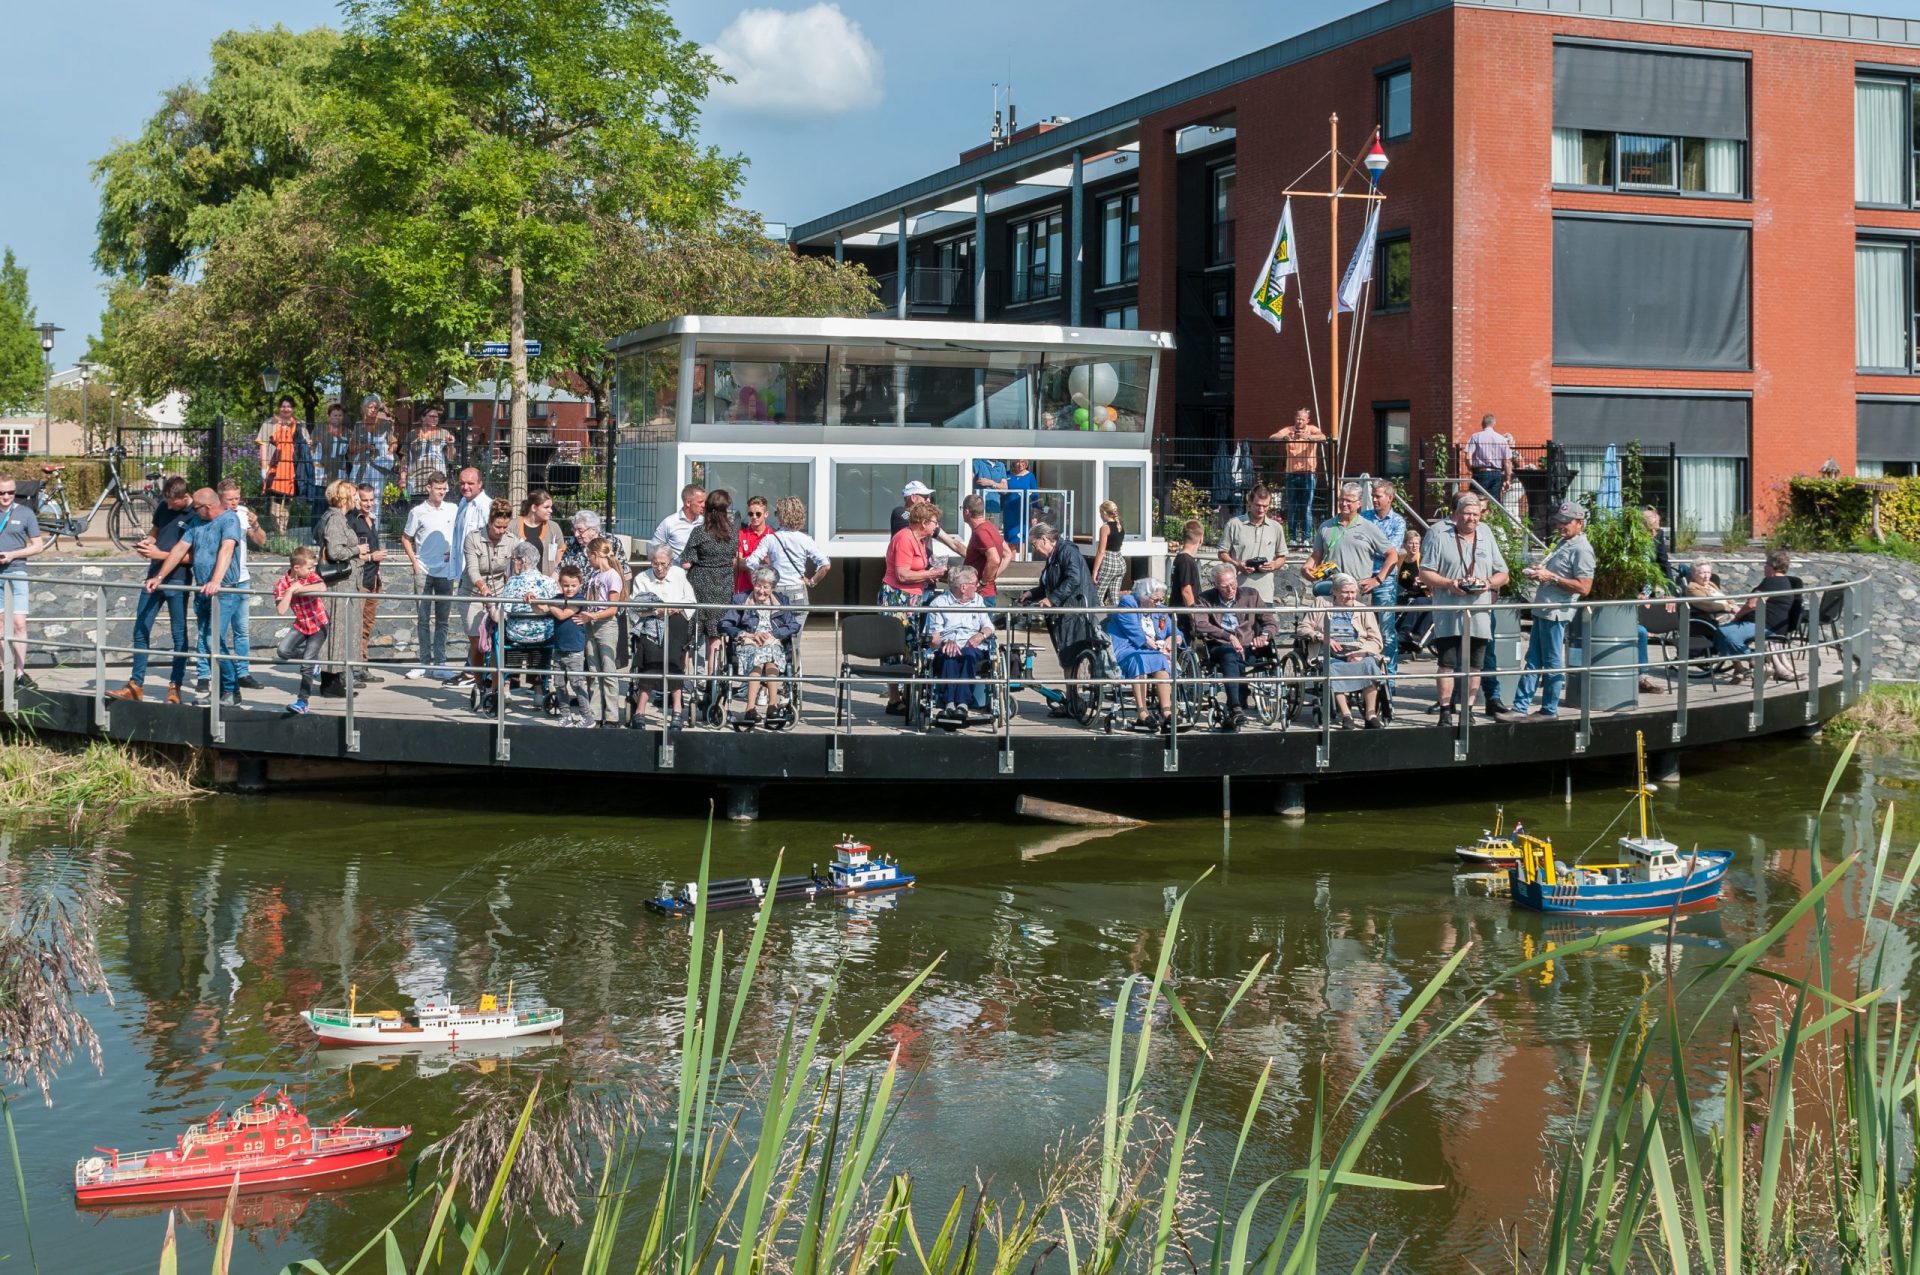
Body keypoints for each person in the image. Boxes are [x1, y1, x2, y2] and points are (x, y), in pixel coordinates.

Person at [145, 487, 244, 706]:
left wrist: (216, 580)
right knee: (208, 642)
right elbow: (180, 549)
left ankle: (229, 690)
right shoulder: (197, 523)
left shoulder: (229, 520)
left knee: (212, 639)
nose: (193, 511)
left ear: (208, 507)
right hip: (203, 591)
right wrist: (159, 576)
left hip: (224, 590)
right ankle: (226, 690)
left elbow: (226, 550)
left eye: (196, 508)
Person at [1419, 494, 1510, 728]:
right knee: (1447, 663)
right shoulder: (1440, 534)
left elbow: (1504, 574)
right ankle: (1446, 711)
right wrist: (1450, 583)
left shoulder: (1487, 534)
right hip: (1449, 609)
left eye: (1476, 514)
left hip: (1479, 610)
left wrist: (1487, 583)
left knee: (1475, 664)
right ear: (1457, 514)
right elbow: (1425, 573)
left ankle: (1468, 710)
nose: (1471, 519)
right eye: (1467, 514)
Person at [1508, 501, 1595, 720]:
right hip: (1543, 610)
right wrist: (1541, 572)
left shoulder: (1582, 548)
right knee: (1533, 660)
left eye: (1566, 522)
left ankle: (1549, 709)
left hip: (1556, 613)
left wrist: (1552, 577)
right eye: (1559, 522)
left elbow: (1584, 587)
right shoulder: (1564, 543)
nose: (1561, 526)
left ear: (1579, 523)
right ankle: (1520, 707)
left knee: (1553, 661)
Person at [112, 476, 194, 704]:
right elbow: (155, 532)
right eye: (165, 501)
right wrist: (147, 543)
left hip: (177, 580)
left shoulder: (195, 515)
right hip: (152, 576)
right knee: (141, 628)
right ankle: (135, 684)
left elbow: (192, 556)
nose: (168, 506)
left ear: (185, 497)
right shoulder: (163, 506)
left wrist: (160, 555)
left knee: (179, 634)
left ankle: (175, 686)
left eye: (172, 503)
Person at [1020, 522, 1098, 713]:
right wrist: (1031, 593)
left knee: (1071, 657)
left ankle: (1075, 703)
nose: (1034, 549)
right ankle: (1072, 701)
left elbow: (1074, 579)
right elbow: (1049, 583)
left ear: (1045, 539)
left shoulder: (1067, 551)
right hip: (1061, 612)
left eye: (1034, 544)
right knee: (1067, 658)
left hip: (1074, 611)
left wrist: (1052, 599)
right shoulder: (1053, 556)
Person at [1191, 564, 1280, 730]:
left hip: (1248, 645)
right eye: (1224, 586)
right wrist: (1228, 636)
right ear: (1215, 585)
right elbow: (1200, 624)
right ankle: (1235, 708)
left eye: (1233, 584)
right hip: (1220, 644)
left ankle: (1236, 704)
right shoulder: (1205, 598)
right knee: (1229, 653)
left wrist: (1265, 635)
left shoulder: (1251, 595)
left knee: (1236, 659)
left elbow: (1270, 621)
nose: (1230, 589)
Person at [881, 502, 949, 714]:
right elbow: (902, 574)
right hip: (897, 597)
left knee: (912, 647)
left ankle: (909, 697)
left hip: (913, 598)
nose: (936, 527)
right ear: (923, 522)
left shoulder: (921, 540)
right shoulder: (904, 538)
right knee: (894, 647)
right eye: (934, 523)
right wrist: (931, 574)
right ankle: (894, 699)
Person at [1296, 573, 1386, 728]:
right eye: (1345, 592)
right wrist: (1322, 636)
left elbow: (1376, 640)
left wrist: (1362, 652)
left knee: (1371, 664)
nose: (1350, 596)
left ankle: (1370, 714)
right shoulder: (1321, 603)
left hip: (1356, 650)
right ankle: (1346, 715)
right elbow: (1303, 628)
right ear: (1335, 592)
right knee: (1333, 668)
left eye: (1353, 592)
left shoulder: (1363, 609)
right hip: (1328, 652)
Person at [720, 568, 802, 727]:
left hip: (772, 641)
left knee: (771, 655)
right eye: (758, 585)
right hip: (748, 642)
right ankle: (751, 707)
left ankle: (772, 706)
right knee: (759, 655)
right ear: (753, 584)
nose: (761, 591)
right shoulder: (741, 600)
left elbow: (793, 625)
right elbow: (724, 624)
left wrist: (774, 633)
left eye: (766, 587)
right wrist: (748, 635)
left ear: (772, 588)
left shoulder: (781, 601)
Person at [629, 542, 695, 726]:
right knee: (650, 658)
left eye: (663, 564)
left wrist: (675, 607)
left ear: (671, 562)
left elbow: (691, 601)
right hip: (650, 621)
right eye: (655, 563)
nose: (659, 568)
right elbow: (635, 608)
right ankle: (640, 710)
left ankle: (677, 710)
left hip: (675, 621)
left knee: (673, 658)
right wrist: (653, 610)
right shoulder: (642, 578)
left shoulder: (679, 575)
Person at [314, 479, 369, 697]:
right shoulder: (335, 519)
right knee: (337, 631)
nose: (357, 498)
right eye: (354, 494)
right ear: (346, 496)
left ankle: (334, 680)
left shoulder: (336, 518)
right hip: (339, 586)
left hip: (345, 584)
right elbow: (335, 551)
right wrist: (357, 549)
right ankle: (330, 683)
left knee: (341, 632)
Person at [402, 470, 458, 679]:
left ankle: (440, 661)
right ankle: (424, 662)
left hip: (445, 571)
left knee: (443, 620)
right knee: (423, 618)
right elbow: (406, 537)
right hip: (424, 570)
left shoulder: (452, 509)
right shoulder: (418, 512)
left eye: (444, 489)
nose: (442, 492)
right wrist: (415, 562)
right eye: (438, 489)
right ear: (428, 488)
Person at [460, 504, 521, 695]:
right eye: (497, 527)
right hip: (474, 594)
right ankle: (479, 683)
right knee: (478, 644)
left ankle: (496, 688)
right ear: (489, 522)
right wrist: (483, 588)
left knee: (497, 642)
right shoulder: (473, 538)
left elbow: (514, 569)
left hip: (500, 594)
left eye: (505, 527)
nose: (501, 531)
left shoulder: (512, 541)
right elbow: (472, 569)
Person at [1105, 576, 1179, 732]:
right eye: (1155, 600)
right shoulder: (1128, 604)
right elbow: (1135, 632)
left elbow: (1176, 631)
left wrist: (1174, 637)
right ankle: (1142, 712)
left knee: (1160, 661)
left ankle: (1166, 711)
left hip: (1152, 651)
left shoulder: (1160, 609)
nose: (1159, 604)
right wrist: (1157, 647)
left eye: (1161, 599)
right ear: (1144, 596)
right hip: (1127, 649)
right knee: (1141, 660)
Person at [923, 565, 996, 721]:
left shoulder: (977, 600)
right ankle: (949, 704)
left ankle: (962, 704)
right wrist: (945, 642)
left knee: (969, 654)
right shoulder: (939, 603)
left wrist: (980, 635)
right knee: (950, 654)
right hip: (947, 645)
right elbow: (933, 637)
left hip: (972, 645)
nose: (977, 586)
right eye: (975, 583)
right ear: (963, 587)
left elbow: (989, 626)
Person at [214, 478, 267, 691]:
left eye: (237, 498)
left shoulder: (243, 513)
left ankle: (243, 672)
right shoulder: (215, 515)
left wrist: (255, 524)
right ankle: (214, 671)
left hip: (242, 578)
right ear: (220, 498)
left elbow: (261, 541)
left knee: (242, 629)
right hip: (222, 580)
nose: (234, 502)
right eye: (230, 499)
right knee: (216, 631)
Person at [1714, 550, 1799, 682]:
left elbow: (1752, 604)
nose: (1764, 567)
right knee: (1726, 632)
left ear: (1772, 567)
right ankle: (1740, 668)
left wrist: (1738, 615)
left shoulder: (1771, 582)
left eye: (1766, 564)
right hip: (1774, 625)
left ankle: (1759, 663)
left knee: (1723, 632)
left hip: (1762, 625)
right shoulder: (1785, 582)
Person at [1307, 482, 1398, 601]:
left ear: (1359, 503)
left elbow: (1392, 554)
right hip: (1332, 589)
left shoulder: (1368, 527)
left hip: (1358, 591)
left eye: (1349, 501)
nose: (1344, 504)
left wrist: (1378, 579)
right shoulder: (1325, 526)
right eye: (1341, 500)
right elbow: (1316, 555)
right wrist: (1307, 567)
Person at [531, 564, 594, 726]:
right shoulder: (556, 599)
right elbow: (540, 610)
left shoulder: (579, 599)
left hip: (575, 649)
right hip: (558, 648)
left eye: (573, 585)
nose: (569, 589)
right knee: (559, 684)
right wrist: (533, 600)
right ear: (560, 583)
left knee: (577, 683)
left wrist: (550, 605)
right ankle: (565, 715)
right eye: (566, 585)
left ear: (580, 584)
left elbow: (562, 615)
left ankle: (587, 716)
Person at [681, 487, 737, 669]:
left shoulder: (700, 532)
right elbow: (734, 558)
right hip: (723, 583)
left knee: (690, 634)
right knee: (715, 634)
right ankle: (712, 677)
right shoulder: (733, 532)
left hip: (699, 583)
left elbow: (686, 562)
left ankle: (683, 678)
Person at [0, 473, 47, 687]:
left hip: (17, 571)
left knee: (19, 623)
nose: (7, 496)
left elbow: (38, 545)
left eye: (11, 492)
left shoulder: (26, 513)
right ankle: (2, 670)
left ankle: (20, 672)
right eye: (2, 493)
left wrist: (13, 555)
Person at [273, 545, 330, 714]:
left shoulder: (311, 577)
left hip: (319, 624)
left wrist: (300, 589)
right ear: (296, 568)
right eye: (310, 567)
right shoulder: (281, 584)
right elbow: (281, 610)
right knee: (283, 651)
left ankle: (302, 702)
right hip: (302, 625)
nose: (313, 569)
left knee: (306, 665)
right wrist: (291, 590)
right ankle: (314, 662)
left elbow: (322, 587)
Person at [1360, 478, 1408, 680]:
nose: (1374, 499)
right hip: (1361, 576)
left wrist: (1379, 577)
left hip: (1384, 579)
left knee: (1386, 630)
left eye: (1378, 496)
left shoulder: (1397, 522)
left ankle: (1389, 677)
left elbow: (1392, 552)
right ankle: (1362, 674)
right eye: (1373, 496)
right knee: (1360, 628)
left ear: (1390, 498)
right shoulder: (1364, 517)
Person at [745, 496, 831, 606]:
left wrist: (762, 579)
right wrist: (812, 582)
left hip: (776, 590)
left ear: (781, 517)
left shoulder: (770, 539)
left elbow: (751, 562)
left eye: (777, 513)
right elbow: (825, 565)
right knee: (796, 623)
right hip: (798, 591)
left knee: (776, 622)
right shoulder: (805, 539)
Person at [581, 537, 627, 726]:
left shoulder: (612, 576)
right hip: (590, 625)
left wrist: (593, 616)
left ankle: (612, 715)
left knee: (608, 670)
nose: (588, 561)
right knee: (594, 669)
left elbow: (612, 607)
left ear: (594, 555)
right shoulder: (593, 575)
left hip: (605, 625)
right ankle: (596, 712)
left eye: (589, 557)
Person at [1218, 485, 1287, 604]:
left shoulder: (1276, 528)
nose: (1261, 510)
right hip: (1238, 593)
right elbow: (1222, 553)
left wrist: (1273, 565)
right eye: (1258, 505)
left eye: (1265, 506)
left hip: (1265, 595)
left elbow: (1282, 557)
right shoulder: (1234, 524)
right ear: (1249, 502)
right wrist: (1237, 564)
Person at [350, 483, 390, 683]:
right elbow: (349, 554)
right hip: (361, 579)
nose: (368, 504)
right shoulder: (352, 521)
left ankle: (362, 666)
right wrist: (372, 557)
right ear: (357, 499)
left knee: (366, 625)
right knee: (357, 626)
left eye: (371, 500)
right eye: (364, 500)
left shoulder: (370, 520)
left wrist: (377, 563)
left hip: (374, 579)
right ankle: (354, 667)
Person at [1269, 408, 1326, 546]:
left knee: (1306, 506)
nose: (1299, 421)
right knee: (1293, 506)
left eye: (1302, 419)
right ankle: (1293, 538)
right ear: (1295, 418)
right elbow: (1272, 437)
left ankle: (1306, 538)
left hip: (1308, 473)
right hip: (1291, 473)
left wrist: (1309, 438)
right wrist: (1285, 438)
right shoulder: (1288, 430)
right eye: (1298, 418)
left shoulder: (1312, 429)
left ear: (1307, 420)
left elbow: (1323, 437)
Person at [256, 395, 308, 536]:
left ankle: (282, 532)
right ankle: (278, 531)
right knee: (276, 502)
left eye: (289, 406)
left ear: (293, 408)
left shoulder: (299, 425)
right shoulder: (269, 424)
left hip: (293, 469)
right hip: (276, 469)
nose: (286, 409)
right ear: (279, 408)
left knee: (287, 503)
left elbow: (307, 446)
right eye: (283, 406)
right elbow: (263, 446)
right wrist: (264, 467)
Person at [349, 394, 398, 523]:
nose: (373, 410)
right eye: (370, 407)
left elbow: (394, 443)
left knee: (375, 498)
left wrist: (388, 454)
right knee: (358, 496)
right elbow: (352, 448)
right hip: (361, 466)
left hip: (378, 467)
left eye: (376, 407)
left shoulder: (385, 424)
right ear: (364, 408)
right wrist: (364, 447)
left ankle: (373, 528)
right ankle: (358, 525)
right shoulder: (359, 425)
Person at [959, 495, 1009, 606]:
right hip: (986, 594)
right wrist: (993, 576)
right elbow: (1008, 554)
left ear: (966, 511)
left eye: (962, 509)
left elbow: (995, 559)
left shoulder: (980, 532)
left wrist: (983, 582)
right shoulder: (990, 526)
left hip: (980, 596)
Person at [891, 480, 965, 553]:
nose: (929, 500)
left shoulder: (926, 521)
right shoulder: (900, 512)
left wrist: (972, 558)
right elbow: (916, 528)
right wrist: (931, 522)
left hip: (927, 563)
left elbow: (953, 543)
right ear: (913, 498)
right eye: (925, 497)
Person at [404, 406, 457, 503]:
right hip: (417, 482)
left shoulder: (444, 433)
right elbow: (404, 457)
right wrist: (402, 477)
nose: (435, 419)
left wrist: (450, 445)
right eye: (431, 416)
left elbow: (451, 457)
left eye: (436, 417)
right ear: (423, 418)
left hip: (437, 483)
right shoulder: (412, 435)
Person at [511, 488, 565, 578]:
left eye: (551, 507)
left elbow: (560, 558)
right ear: (534, 508)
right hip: (518, 583)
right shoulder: (513, 526)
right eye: (546, 507)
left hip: (546, 583)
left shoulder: (554, 528)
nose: (551, 511)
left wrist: (552, 580)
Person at [308, 402, 351, 508]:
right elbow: (311, 447)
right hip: (321, 474)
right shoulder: (320, 429)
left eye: (340, 415)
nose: (337, 418)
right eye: (334, 415)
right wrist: (314, 463)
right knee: (320, 506)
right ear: (329, 416)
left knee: (337, 505)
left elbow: (350, 452)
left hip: (339, 475)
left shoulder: (348, 432)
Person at [1169, 518, 1204, 640]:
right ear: (1201, 539)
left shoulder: (1179, 558)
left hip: (1178, 612)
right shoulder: (1186, 561)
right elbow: (1186, 590)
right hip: (1183, 617)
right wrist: (1194, 615)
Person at [1465, 414, 1513, 502]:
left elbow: (1468, 457)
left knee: (1476, 500)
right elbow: (1507, 462)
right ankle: (1493, 515)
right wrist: (1508, 479)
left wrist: (1471, 468)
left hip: (1480, 472)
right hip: (1497, 473)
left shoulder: (1476, 436)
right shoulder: (1501, 439)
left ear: (1482, 423)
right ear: (1494, 423)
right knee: (1494, 502)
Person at [652, 484, 706, 560]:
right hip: (677, 568)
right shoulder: (670, 523)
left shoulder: (704, 522)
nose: (703, 505)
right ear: (688, 503)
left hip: (700, 570)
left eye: (704, 502)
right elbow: (655, 548)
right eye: (700, 502)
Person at [736, 495, 774, 595]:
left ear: (766, 514)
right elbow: (737, 563)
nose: (754, 517)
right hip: (744, 591)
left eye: (758, 514)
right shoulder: (741, 534)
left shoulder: (773, 536)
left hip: (765, 592)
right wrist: (762, 564)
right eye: (750, 514)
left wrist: (746, 562)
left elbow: (774, 565)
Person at [1091, 500, 1127, 605]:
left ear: (1105, 513)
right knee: (1114, 598)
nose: (1100, 515)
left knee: (1097, 596)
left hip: (1109, 562)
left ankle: (1096, 620)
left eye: (1100, 513)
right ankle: (1116, 619)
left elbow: (1101, 551)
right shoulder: (1120, 525)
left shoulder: (1105, 527)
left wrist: (1094, 572)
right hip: (1120, 562)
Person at [1002, 459, 1039, 552]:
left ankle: (1022, 564)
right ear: (1013, 462)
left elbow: (1035, 496)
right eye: (1017, 462)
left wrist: (1034, 514)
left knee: (1022, 539)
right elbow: (1001, 491)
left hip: (1024, 511)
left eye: (1023, 462)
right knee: (1011, 539)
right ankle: (1012, 564)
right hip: (1009, 512)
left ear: (1026, 463)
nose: (1020, 464)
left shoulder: (1030, 476)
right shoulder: (1007, 474)